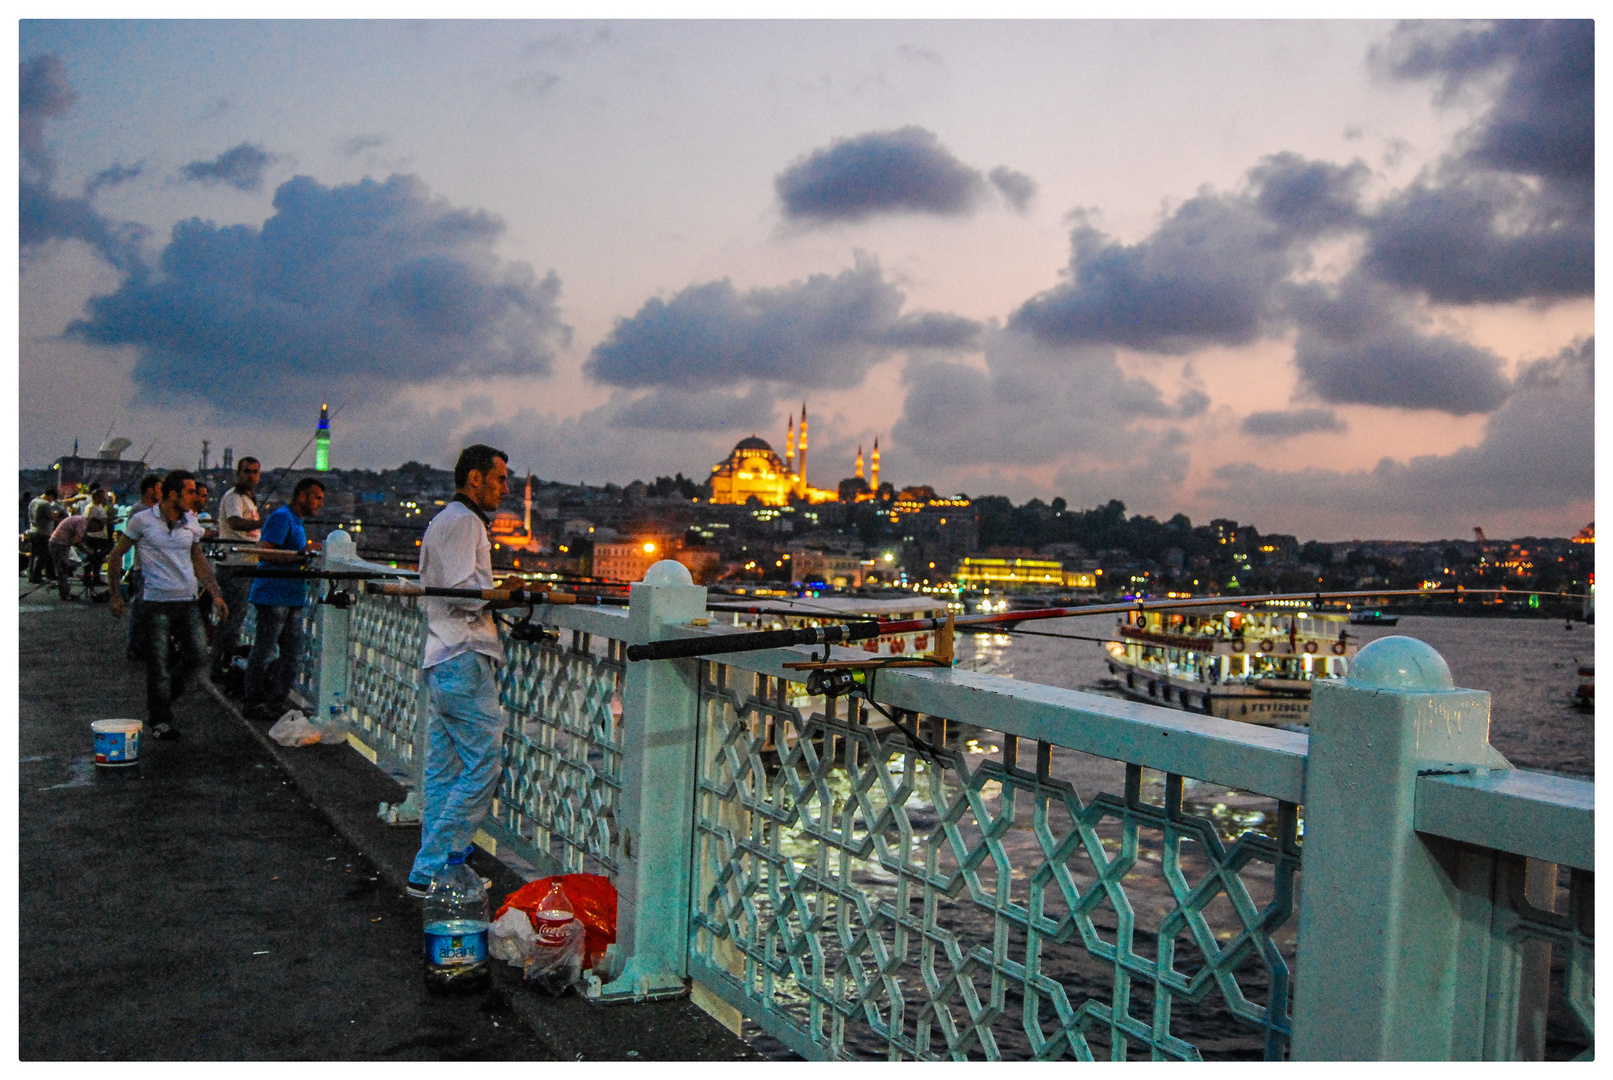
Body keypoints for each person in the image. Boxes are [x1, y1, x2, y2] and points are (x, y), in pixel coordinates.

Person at [406, 444, 520, 897]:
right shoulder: (463, 521)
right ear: (475, 479)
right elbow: (461, 593)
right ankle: (435, 863)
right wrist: (505, 593)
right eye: (499, 479)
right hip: (462, 656)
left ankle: (437, 867)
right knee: (483, 764)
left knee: (444, 769)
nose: (505, 488)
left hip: (443, 656)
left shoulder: (447, 520)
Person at [104, 471, 227, 741]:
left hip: (187, 601)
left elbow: (198, 561)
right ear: (174, 494)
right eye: (191, 492)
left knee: (197, 656)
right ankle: (161, 719)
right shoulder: (142, 521)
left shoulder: (191, 523)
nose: (196, 497)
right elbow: (115, 557)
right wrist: (115, 595)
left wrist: (216, 594)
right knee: (158, 664)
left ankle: (164, 696)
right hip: (155, 602)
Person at [243, 478, 324, 721]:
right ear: (302, 496)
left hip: (292, 597)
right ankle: (254, 701)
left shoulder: (295, 521)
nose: (320, 503)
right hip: (274, 595)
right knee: (265, 650)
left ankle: (276, 700)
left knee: (292, 653)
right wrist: (301, 556)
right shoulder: (281, 517)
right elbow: (266, 551)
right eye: (317, 497)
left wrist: (303, 554)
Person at [211, 457, 262, 682]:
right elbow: (234, 523)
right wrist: (262, 524)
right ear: (238, 473)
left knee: (234, 618)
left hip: (246, 563)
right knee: (231, 619)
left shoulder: (247, 499)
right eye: (246, 471)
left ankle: (224, 662)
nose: (251, 476)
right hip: (235, 565)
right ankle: (219, 665)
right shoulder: (233, 498)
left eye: (255, 472)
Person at [121, 474, 164, 661]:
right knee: (141, 609)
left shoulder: (154, 511)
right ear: (150, 491)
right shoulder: (140, 511)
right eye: (159, 489)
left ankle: (144, 644)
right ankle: (136, 646)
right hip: (144, 568)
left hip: (153, 568)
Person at [47, 509, 89, 601]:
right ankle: (65, 593)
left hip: (60, 543)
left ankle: (65, 592)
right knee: (62, 569)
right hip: (59, 543)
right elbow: (77, 541)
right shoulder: (82, 522)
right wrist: (86, 551)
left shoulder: (79, 519)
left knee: (63, 568)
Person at [27, 486, 62, 583]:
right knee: (43, 555)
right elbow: (51, 517)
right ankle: (37, 576)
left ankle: (31, 574)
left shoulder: (33, 501)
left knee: (34, 555)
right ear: (50, 496)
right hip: (43, 532)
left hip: (33, 530)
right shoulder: (45, 504)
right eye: (52, 499)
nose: (52, 502)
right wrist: (57, 513)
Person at [83, 488, 113, 590]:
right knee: (93, 557)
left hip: (101, 536)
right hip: (93, 536)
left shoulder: (101, 508)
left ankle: (96, 576)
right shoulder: (91, 508)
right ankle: (88, 577)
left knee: (98, 558)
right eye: (101, 496)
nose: (103, 498)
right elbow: (88, 522)